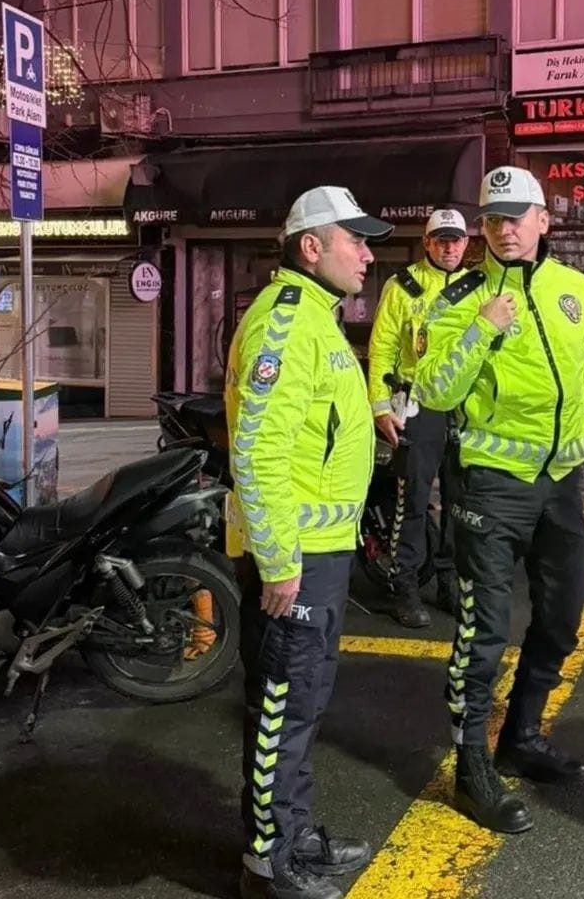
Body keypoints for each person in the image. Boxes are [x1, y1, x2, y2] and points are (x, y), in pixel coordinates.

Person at [414, 165, 584, 834]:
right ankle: (472, 766)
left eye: (517, 217)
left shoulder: (579, 291)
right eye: (494, 219)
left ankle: (522, 736)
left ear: (544, 220)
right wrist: (480, 329)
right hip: (491, 485)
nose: (505, 230)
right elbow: (435, 392)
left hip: (561, 484)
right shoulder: (457, 300)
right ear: (482, 227)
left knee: (562, 617)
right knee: (483, 634)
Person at [225, 186, 392, 899]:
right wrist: (280, 561)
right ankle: (269, 865)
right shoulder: (287, 325)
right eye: (354, 238)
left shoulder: (317, 319)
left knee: (304, 705)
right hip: (294, 562)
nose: (368, 251)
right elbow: (257, 452)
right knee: (279, 712)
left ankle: (291, 834)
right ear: (310, 247)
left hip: (320, 553)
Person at [368, 208, 469, 627]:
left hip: (464, 410)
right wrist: (378, 405)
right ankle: (405, 588)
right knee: (411, 503)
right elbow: (383, 347)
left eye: (456, 239)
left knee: (460, 504)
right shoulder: (403, 286)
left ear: (467, 243)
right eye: (440, 239)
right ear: (427, 242)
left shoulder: (478, 286)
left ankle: (448, 582)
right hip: (416, 408)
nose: (449, 246)